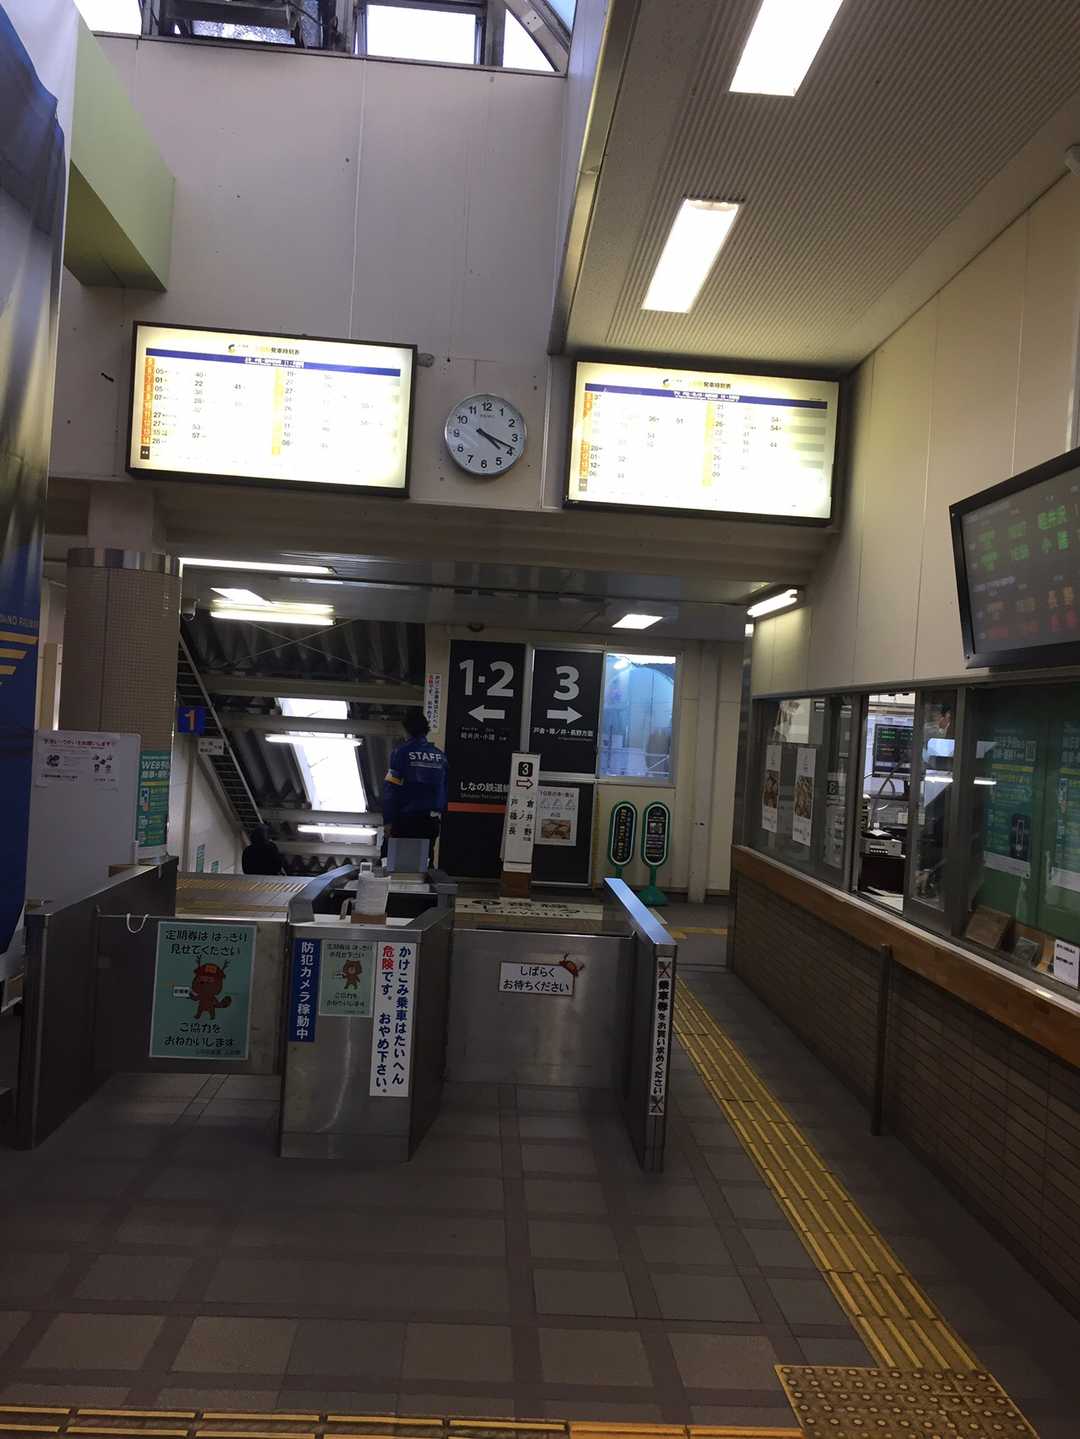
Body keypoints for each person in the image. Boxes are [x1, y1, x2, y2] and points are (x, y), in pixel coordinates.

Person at [383, 707, 448, 860]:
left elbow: (391, 789)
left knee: (395, 862)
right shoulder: (440, 757)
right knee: (424, 862)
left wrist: (388, 820)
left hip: (405, 821)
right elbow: (444, 789)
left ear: (406, 730)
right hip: (430, 822)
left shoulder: (401, 753)